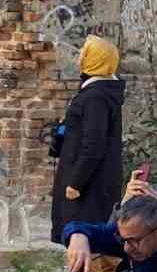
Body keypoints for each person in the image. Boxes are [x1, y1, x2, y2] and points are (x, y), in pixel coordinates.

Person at [51, 36, 126, 244]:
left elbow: (94, 143)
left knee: (84, 237)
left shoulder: (96, 96)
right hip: (90, 178)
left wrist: (76, 181)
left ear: (96, 59)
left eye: (86, 51)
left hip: (89, 183)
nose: (81, 54)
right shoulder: (98, 91)